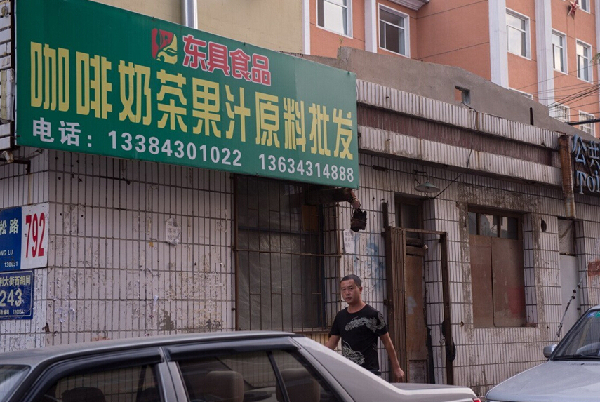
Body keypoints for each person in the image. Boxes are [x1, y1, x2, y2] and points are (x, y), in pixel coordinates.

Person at [325, 274, 405, 382]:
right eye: (343, 290)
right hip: (348, 372)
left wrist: (397, 368)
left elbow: (387, 342)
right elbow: (332, 343)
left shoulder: (372, 314)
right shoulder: (340, 316)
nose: (347, 293)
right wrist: (315, 354)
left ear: (360, 289)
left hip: (370, 373)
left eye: (351, 288)